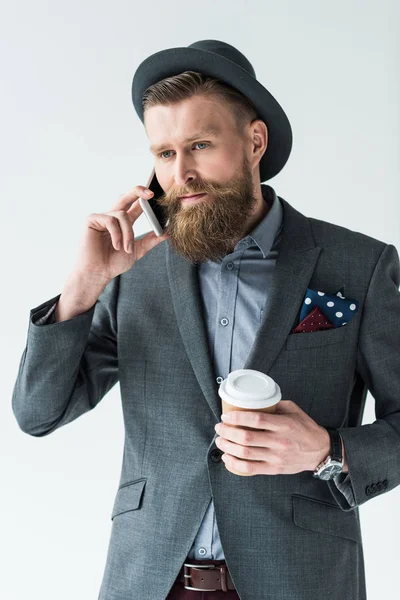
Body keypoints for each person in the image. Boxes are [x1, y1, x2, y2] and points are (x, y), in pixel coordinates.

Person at [12, 39, 400, 600]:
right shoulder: (132, 275)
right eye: (165, 154)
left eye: (199, 145)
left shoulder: (358, 265)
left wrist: (326, 451)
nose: (182, 173)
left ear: (254, 141)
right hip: (148, 580)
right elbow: (37, 415)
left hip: (300, 581)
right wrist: (81, 290)